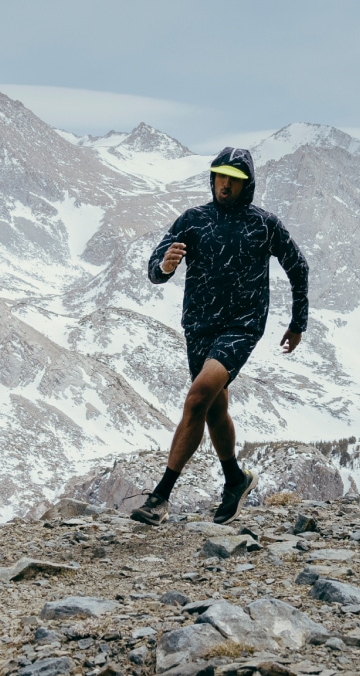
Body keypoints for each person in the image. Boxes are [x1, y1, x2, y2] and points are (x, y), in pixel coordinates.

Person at [131, 146, 309, 525]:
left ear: (248, 185)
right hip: (197, 327)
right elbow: (154, 268)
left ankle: (160, 497)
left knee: (196, 399)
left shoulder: (264, 224)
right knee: (214, 410)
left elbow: (299, 267)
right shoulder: (192, 220)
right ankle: (235, 480)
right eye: (219, 177)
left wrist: (298, 323)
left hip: (241, 327)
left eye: (234, 179)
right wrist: (165, 266)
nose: (224, 185)